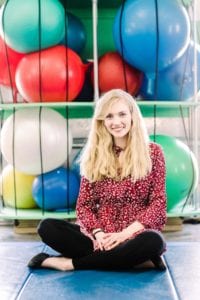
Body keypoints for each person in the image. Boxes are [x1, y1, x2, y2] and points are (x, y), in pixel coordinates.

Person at [28, 89, 167, 272]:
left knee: (153, 241)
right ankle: (135, 261)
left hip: (134, 235)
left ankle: (67, 263)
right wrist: (99, 234)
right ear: (102, 122)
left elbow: (158, 204)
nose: (116, 122)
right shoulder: (94, 155)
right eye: (109, 116)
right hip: (97, 239)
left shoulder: (153, 153)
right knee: (47, 227)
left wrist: (124, 234)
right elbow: (84, 206)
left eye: (122, 114)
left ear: (133, 116)